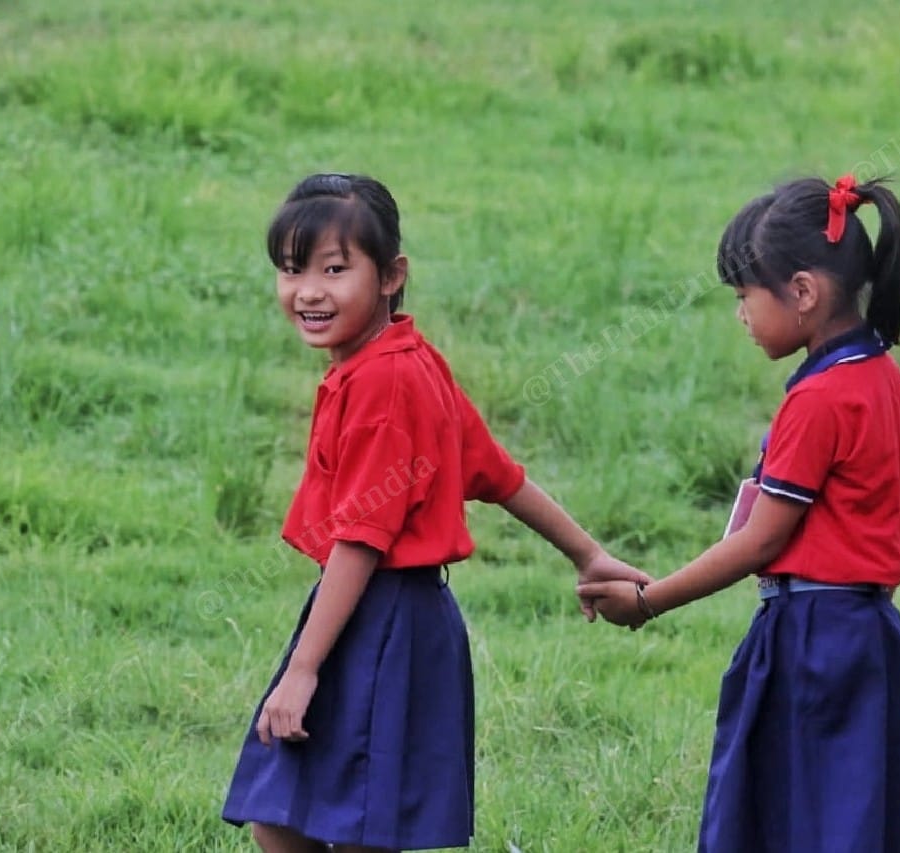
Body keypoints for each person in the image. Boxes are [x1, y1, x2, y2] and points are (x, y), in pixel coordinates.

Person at [222, 172, 648, 853]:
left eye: (335, 269)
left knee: (351, 822)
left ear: (392, 275)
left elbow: (361, 539)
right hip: (369, 614)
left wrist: (303, 668)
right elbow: (499, 474)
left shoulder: (388, 381)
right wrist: (587, 553)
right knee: (282, 806)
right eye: (291, 269)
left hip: (385, 619)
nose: (308, 291)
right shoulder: (398, 361)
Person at [578, 175, 900, 852]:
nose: (740, 314)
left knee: (777, 821)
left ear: (802, 291)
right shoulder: (886, 380)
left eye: (744, 296)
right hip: (872, 639)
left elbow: (759, 540)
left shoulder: (818, 399)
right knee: (849, 821)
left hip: (811, 642)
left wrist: (648, 599)